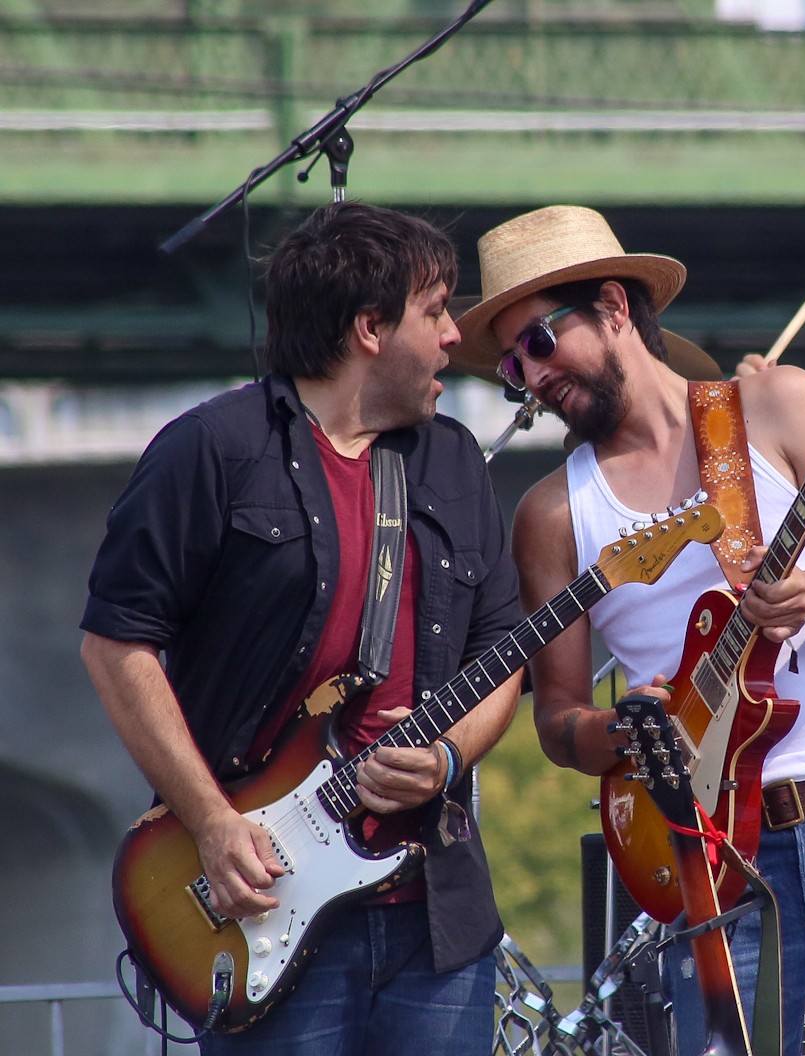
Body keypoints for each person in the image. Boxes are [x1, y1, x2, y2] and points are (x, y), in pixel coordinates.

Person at [452, 204, 805, 1056]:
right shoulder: (553, 512)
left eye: (539, 343)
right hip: (705, 857)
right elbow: (557, 720)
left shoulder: (777, 403)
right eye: (513, 365)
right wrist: (622, 732)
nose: (529, 378)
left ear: (614, 307)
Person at [80, 201, 523, 1055]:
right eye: (435, 312)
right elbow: (115, 643)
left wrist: (448, 755)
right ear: (368, 327)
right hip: (262, 902)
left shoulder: (454, 459)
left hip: (438, 917)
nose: (453, 337)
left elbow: (502, 650)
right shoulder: (212, 449)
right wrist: (211, 823)